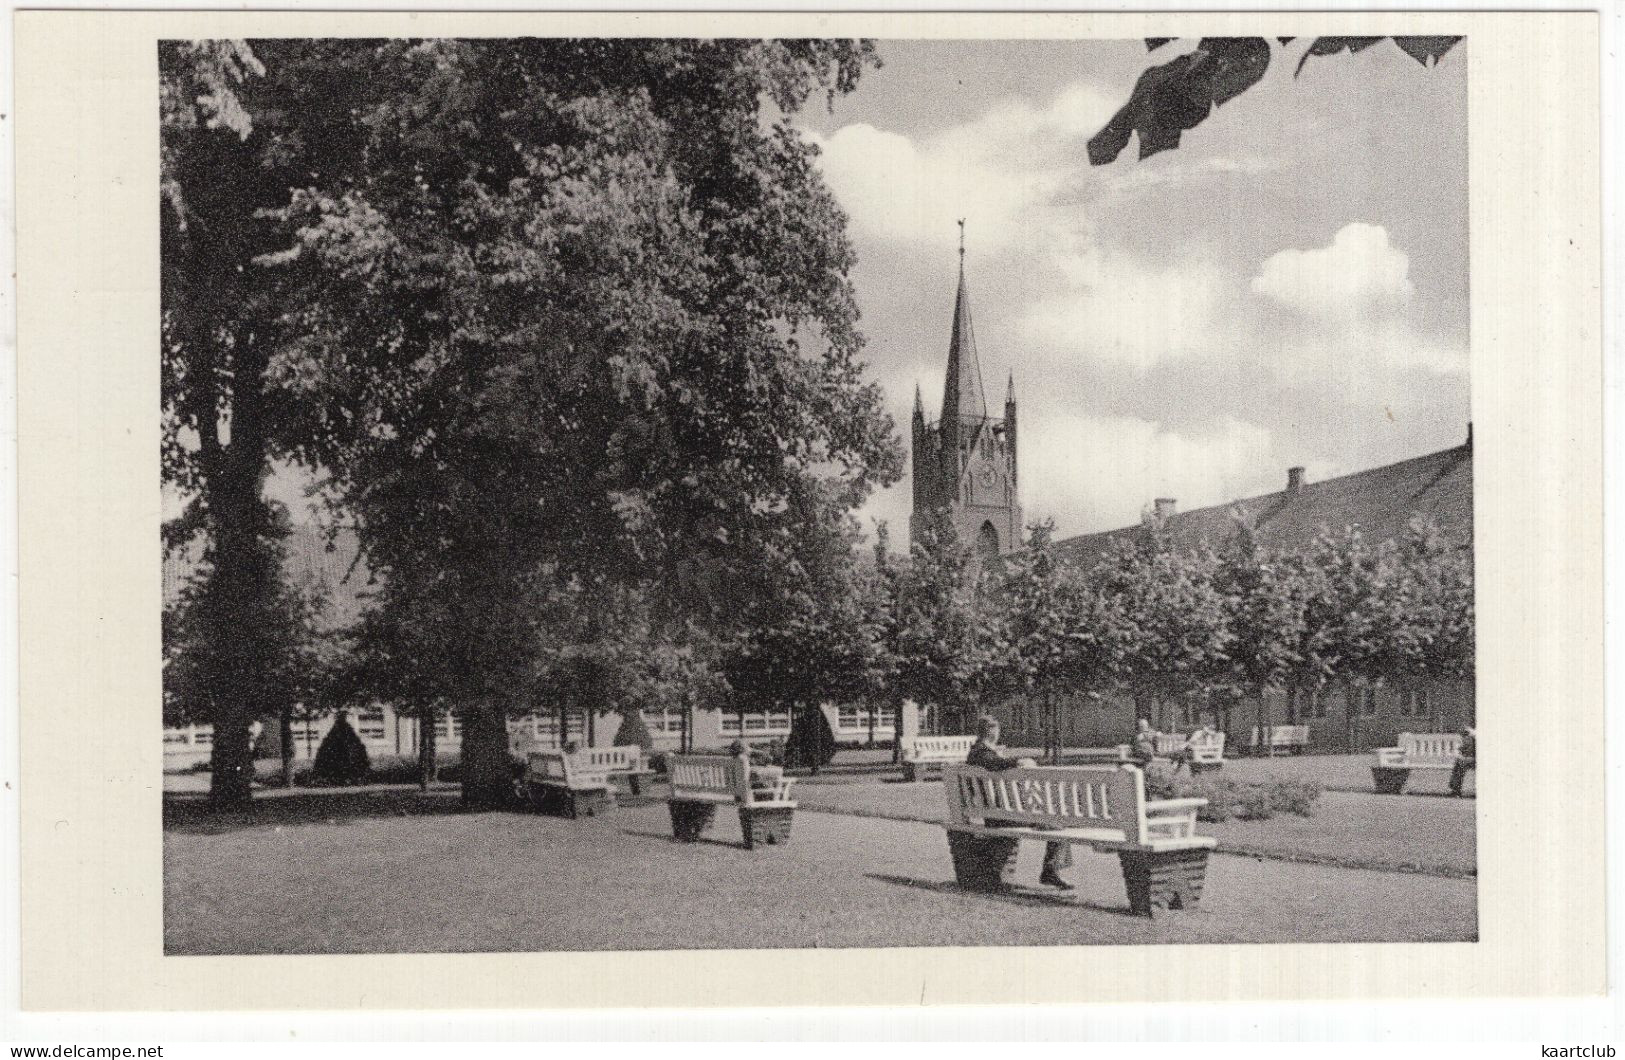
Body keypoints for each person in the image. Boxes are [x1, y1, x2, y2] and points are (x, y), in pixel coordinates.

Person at [966, 715, 1074, 891]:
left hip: (992, 813)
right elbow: (993, 761)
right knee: (1057, 823)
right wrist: (1019, 760)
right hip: (1003, 817)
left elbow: (994, 762)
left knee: (1051, 820)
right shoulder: (982, 754)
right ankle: (1051, 870)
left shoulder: (975, 753)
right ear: (992, 731)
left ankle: (1050, 871)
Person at [1449, 725, 1476, 796]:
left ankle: (1455, 790)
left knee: (1460, 764)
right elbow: (1457, 750)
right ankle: (1456, 790)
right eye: (1465, 733)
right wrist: (1461, 757)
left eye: (1466, 733)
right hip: (1468, 759)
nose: (1465, 735)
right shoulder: (1465, 739)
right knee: (1459, 764)